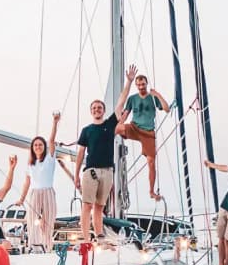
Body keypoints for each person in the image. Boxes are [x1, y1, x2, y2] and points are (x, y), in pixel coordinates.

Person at [73, 65, 132, 243]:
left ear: (103, 111)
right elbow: (81, 153)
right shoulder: (86, 130)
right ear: (91, 111)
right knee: (87, 205)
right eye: (94, 108)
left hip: (107, 171)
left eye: (100, 107)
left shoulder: (110, 125)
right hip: (90, 171)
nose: (97, 110)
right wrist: (76, 175)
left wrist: (128, 82)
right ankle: (85, 238)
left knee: (99, 207)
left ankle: (99, 236)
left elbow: (121, 102)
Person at [15, 111, 73, 251]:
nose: (38, 147)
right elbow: (27, 183)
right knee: (31, 219)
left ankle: (47, 246)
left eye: (40, 145)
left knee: (48, 220)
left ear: (44, 147)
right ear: (32, 148)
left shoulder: (50, 158)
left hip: (48, 191)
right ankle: (33, 247)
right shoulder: (30, 164)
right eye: (35, 145)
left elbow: (52, 140)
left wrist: (55, 122)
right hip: (35, 192)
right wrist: (21, 199)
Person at [116, 70, 170, 200]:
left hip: (148, 133)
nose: (141, 87)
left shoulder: (153, 98)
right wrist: (119, 124)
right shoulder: (132, 99)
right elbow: (126, 113)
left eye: (143, 84)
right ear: (136, 85)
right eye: (139, 85)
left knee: (151, 162)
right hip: (134, 127)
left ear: (146, 84)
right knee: (115, 129)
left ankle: (151, 191)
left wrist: (157, 94)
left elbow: (167, 109)